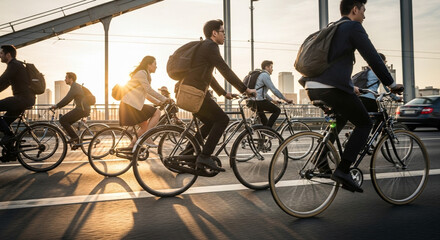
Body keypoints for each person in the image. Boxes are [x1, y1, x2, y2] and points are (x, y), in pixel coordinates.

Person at [298, 0, 403, 193]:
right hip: (330, 88)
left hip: (312, 86)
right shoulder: (353, 27)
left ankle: (321, 158)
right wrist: (391, 84)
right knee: (365, 124)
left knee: (342, 116)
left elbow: (333, 65)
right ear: (355, 9)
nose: (365, 15)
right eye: (364, 10)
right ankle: (344, 170)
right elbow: (372, 57)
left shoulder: (333, 28)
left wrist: (350, 86)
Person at [178, 19, 255, 172]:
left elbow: (209, 77)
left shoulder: (205, 47)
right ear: (214, 33)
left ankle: (187, 154)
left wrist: (224, 93)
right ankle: (205, 156)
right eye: (223, 32)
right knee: (222, 119)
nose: (225, 35)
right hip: (195, 93)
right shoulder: (210, 46)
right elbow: (224, 69)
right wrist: (245, 89)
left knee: (210, 123)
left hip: (191, 91)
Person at [119, 56, 171, 148]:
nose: (156, 66)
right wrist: (164, 99)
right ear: (148, 64)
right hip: (130, 106)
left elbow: (146, 94)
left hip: (131, 105)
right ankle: (148, 137)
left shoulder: (144, 74)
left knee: (144, 126)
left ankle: (131, 146)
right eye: (155, 64)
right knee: (157, 112)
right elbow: (148, 90)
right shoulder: (142, 73)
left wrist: (159, 102)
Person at [0, 45, 36, 151]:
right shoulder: (15, 65)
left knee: (7, 131)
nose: (0, 56)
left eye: (1, 53)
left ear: (8, 54)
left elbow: (2, 79)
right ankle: (10, 152)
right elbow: (4, 84)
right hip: (23, 99)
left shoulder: (14, 65)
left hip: (22, 99)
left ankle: (10, 136)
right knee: (4, 123)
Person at [50, 72, 91, 147]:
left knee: (63, 120)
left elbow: (67, 99)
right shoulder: (75, 86)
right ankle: (76, 141)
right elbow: (68, 99)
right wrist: (57, 106)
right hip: (82, 109)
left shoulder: (75, 87)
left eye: (66, 78)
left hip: (81, 110)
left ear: (71, 79)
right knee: (66, 122)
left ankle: (75, 138)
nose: (65, 79)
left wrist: (56, 106)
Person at [254, 60, 293, 128]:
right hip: (259, 101)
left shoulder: (260, 75)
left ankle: (265, 135)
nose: (272, 69)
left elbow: (263, 93)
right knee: (277, 110)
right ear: (266, 67)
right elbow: (274, 90)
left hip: (255, 101)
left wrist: (273, 100)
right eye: (271, 67)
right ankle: (269, 131)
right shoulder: (265, 75)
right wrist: (286, 100)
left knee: (265, 123)